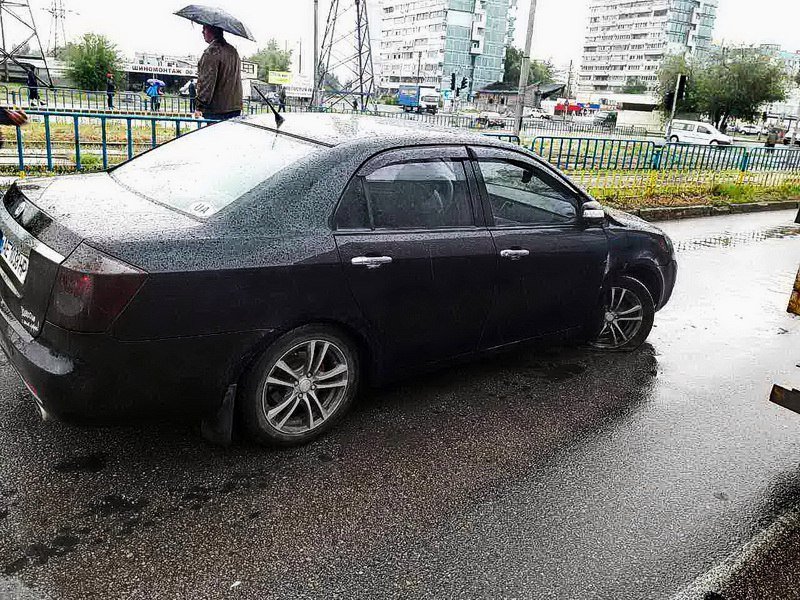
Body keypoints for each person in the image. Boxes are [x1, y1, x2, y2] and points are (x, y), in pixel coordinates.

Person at [194, 24, 242, 121]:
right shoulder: (233, 51)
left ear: (212, 31)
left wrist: (199, 106)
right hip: (235, 107)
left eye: (204, 29)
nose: (202, 32)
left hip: (217, 109)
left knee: (214, 131)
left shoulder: (212, 51)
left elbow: (206, 82)